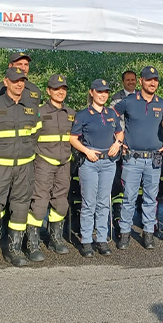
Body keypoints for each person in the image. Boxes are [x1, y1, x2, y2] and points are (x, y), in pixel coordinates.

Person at [0, 67, 41, 272]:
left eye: (22, 80)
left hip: (24, 167)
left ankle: (15, 250)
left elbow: (35, 135)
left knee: (20, 207)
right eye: (15, 81)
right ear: (6, 82)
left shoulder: (31, 108)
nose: (19, 84)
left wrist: (27, 153)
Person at [113, 66, 163, 250]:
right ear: (142, 81)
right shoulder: (128, 101)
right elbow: (110, 116)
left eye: (156, 80)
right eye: (149, 79)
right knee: (129, 198)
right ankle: (125, 233)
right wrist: (119, 140)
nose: (153, 83)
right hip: (132, 159)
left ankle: (148, 233)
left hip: (154, 159)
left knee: (151, 198)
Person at [0, 51, 40, 253]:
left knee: (22, 199)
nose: (23, 67)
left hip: (24, 155)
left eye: (26, 64)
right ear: (10, 66)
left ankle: (20, 241)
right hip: (1, 156)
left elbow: (35, 123)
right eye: (19, 64)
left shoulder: (35, 91)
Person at [70, 79, 125, 258]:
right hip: (90, 162)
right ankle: (86, 240)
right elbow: (72, 138)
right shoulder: (83, 114)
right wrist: (86, 151)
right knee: (89, 203)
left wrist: (118, 143)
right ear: (92, 92)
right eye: (99, 91)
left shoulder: (111, 113)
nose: (103, 95)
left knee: (103, 203)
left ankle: (102, 239)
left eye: (106, 92)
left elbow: (119, 132)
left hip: (108, 162)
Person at [25, 74, 76, 261]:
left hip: (64, 163)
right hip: (43, 163)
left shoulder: (71, 113)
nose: (60, 92)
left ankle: (55, 238)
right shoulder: (39, 112)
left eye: (63, 88)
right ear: (48, 91)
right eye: (56, 89)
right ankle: (32, 242)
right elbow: (29, 137)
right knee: (39, 203)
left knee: (61, 202)